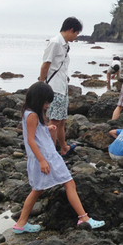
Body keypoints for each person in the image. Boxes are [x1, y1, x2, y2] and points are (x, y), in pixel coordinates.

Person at [13, 82, 104, 234]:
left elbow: (34, 133)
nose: (47, 105)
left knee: (37, 190)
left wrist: (46, 128)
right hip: (47, 157)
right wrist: (42, 160)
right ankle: (84, 218)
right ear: (38, 99)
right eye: (46, 102)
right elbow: (30, 140)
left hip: (41, 157)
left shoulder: (28, 113)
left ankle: (21, 224)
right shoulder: (33, 115)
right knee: (69, 183)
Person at [39, 17, 82, 157]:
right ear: (71, 30)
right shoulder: (55, 43)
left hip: (62, 87)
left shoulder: (64, 45)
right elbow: (46, 64)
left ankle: (64, 148)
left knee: (62, 120)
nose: (76, 37)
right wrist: (41, 83)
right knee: (54, 121)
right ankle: (51, 153)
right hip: (54, 88)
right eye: (76, 34)